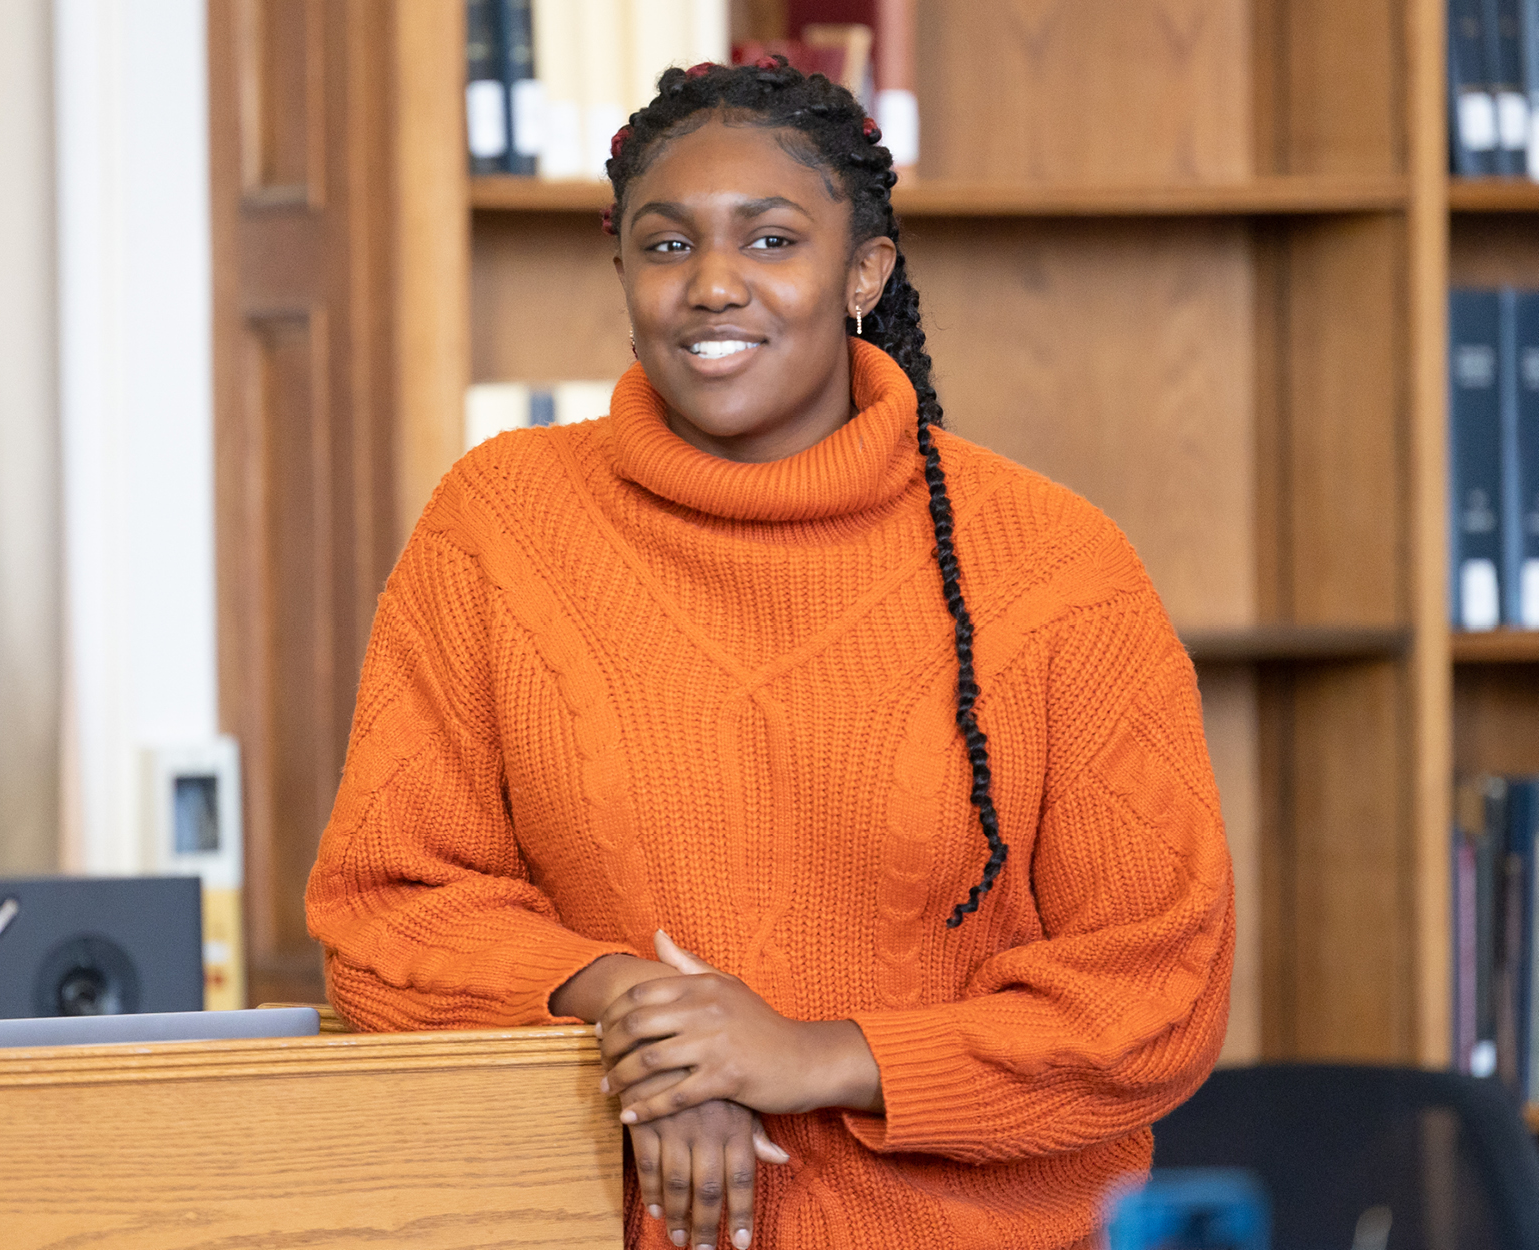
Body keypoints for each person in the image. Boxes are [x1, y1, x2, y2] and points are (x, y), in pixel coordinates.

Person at [306, 57, 1234, 1250]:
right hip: (590, 1221)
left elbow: (1155, 993)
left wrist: (811, 1055)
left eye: (772, 240)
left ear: (863, 273)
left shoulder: (1055, 566)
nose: (713, 285)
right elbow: (388, 907)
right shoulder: (497, 525)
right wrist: (640, 1017)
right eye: (666, 245)